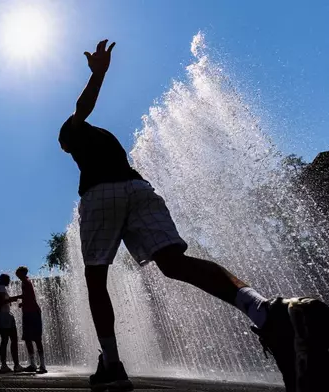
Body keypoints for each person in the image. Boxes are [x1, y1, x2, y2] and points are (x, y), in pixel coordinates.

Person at [59, 39, 329, 392]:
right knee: (175, 263)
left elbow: (82, 107)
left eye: (64, 147)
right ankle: (265, 310)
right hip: (140, 190)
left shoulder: (73, 132)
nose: (65, 150)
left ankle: (112, 364)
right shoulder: (110, 141)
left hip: (101, 193)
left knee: (95, 277)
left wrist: (98, 76)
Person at [15, 266, 47, 374]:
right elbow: (30, 297)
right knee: (31, 339)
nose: (17, 276)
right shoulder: (26, 282)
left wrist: (13, 298)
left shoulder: (26, 282)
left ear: (23, 273)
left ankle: (39, 364)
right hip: (32, 312)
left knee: (33, 339)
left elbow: (27, 296)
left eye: (18, 274)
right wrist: (23, 303)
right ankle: (37, 364)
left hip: (31, 313)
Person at [0, 273, 24, 372]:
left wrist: (10, 300)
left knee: (6, 340)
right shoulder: (1, 289)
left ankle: (6, 365)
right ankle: (13, 365)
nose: (9, 281)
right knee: (11, 340)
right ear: (5, 280)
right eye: (8, 279)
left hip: (4, 315)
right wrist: (12, 299)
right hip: (4, 316)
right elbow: (0, 303)